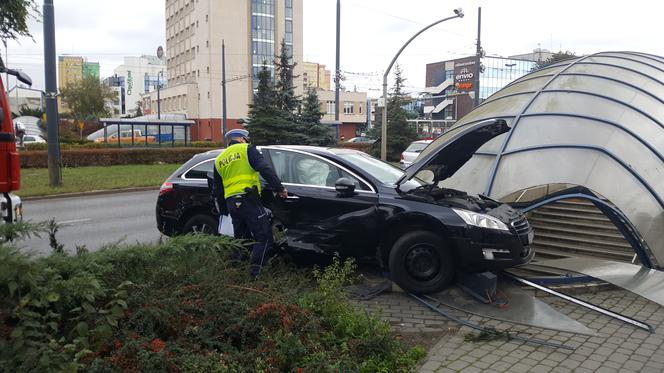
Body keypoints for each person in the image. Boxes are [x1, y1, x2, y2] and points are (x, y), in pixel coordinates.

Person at [212, 129, 288, 279]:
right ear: (241, 139)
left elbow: (217, 189)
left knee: (242, 240)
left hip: (232, 204)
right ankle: (255, 275)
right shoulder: (247, 150)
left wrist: (224, 211)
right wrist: (279, 188)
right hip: (248, 201)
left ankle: (235, 272)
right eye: (246, 139)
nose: (248, 141)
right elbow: (265, 169)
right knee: (264, 238)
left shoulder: (219, 159)